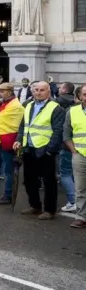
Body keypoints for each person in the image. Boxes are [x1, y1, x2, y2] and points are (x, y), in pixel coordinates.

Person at [13, 81, 65, 220]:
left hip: (45, 149)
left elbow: (58, 131)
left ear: (48, 91)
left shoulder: (56, 108)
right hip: (29, 148)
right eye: (36, 90)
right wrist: (19, 140)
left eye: (42, 90)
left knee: (49, 181)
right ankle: (35, 205)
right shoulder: (28, 105)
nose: (38, 92)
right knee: (30, 179)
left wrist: (50, 150)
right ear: (32, 91)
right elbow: (23, 126)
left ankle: (49, 210)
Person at [63, 84, 86, 228]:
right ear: (80, 96)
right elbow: (66, 133)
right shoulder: (72, 111)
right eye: (85, 94)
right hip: (80, 155)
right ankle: (81, 217)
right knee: (80, 188)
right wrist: (73, 150)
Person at [57, 82, 78, 212]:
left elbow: (65, 132)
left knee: (65, 173)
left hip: (69, 147)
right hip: (76, 148)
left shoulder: (64, 106)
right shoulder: (74, 108)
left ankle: (73, 200)